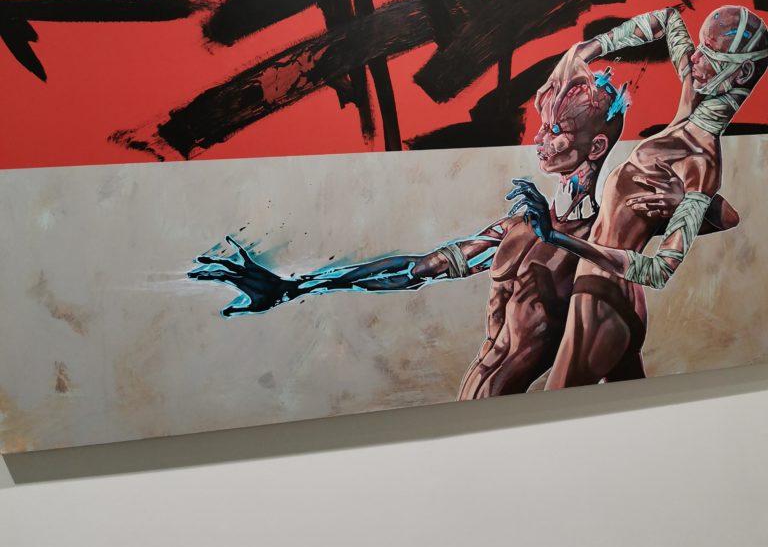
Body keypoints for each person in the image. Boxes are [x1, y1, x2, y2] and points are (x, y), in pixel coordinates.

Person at [189, 74, 680, 397]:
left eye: (557, 132)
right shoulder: (515, 227)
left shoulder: (600, 249)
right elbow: (415, 269)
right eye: (543, 127)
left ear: (595, 146)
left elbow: (623, 350)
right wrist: (294, 286)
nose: (540, 140)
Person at [510, 3, 765, 389]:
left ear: (740, 73)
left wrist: (555, 237)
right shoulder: (691, 94)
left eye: (709, 53)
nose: (694, 58)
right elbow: (668, 19)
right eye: (698, 47)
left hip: (601, 301)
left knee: (550, 413)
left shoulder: (701, 162)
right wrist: (582, 52)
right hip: (616, 302)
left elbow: (659, 271)